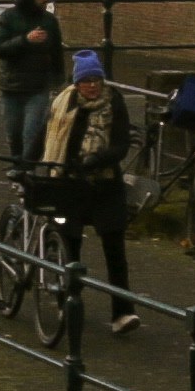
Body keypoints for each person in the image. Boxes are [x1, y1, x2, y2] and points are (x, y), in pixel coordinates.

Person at [33, 50, 142, 298]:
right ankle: (70, 301)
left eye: (96, 80)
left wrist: (97, 159)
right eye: (86, 81)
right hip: (70, 184)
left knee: (115, 247)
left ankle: (122, 312)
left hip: (105, 183)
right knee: (70, 243)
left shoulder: (114, 102)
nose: (92, 86)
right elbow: (46, 133)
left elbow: (121, 145)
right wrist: (26, 161)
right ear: (77, 83)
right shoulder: (64, 102)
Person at [0, 0, 71, 172]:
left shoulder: (49, 21)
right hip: (12, 85)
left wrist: (59, 79)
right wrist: (25, 40)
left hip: (38, 86)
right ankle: (18, 164)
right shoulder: (8, 18)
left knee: (32, 131)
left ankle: (26, 169)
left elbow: (56, 51)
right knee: (14, 131)